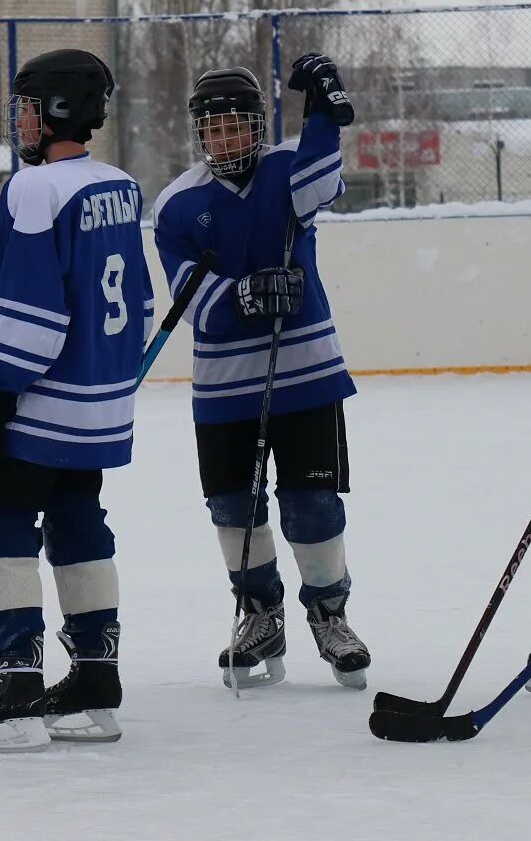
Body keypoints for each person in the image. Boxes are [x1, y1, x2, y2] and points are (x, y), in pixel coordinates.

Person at [0, 48, 153, 752]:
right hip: (99, 401)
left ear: (55, 110)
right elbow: (139, 303)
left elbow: (35, 310)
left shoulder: (35, 190)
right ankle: (95, 679)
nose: (19, 119)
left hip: (43, 399)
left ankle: (19, 683)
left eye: (27, 105)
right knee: (77, 519)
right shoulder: (119, 184)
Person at [151, 55, 369, 691]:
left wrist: (325, 113)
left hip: (306, 371)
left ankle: (331, 616)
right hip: (224, 388)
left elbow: (323, 182)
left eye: (237, 128)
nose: (225, 141)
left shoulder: (287, 169)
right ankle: (259, 614)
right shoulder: (178, 204)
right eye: (213, 131)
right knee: (232, 506)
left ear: (257, 127)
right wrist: (241, 295)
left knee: (312, 503)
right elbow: (190, 299)